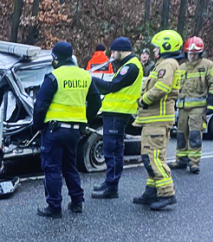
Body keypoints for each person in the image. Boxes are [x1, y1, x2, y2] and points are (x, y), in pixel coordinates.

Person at [33, 41, 102, 217]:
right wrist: (84, 122)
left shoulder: (53, 77)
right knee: (70, 165)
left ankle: (54, 206)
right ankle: (77, 202)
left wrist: (37, 126)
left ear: (55, 58)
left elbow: (40, 105)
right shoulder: (85, 76)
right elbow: (96, 101)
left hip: (54, 130)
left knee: (52, 168)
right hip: (74, 131)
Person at [132, 30, 182, 211]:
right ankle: (151, 192)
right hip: (153, 120)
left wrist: (143, 100)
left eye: (156, 47)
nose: (154, 51)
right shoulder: (165, 64)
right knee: (149, 157)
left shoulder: (167, 64)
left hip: (157, 120)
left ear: (165, 47)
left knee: (153, 158)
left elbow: (161, 88)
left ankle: (167, 193)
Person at [90, 37, 143, 199]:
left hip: (118, 113)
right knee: (112, 149)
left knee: (112, 150)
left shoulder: (131, 67)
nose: (112, 54)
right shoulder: (127, 65)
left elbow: (112, 87)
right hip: (114, 112)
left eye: (113, 51)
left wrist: (90, 79)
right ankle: (109, 182)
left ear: (121, 50)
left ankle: (112, 186)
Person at [171, 36, 213, 174]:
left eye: (195, 54)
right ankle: (181, 160)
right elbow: (175, 87)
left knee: (194, 135)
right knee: (180, 134)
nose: (192, 56)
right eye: (190, 53)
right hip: (182, 108)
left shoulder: (207, 65)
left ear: (200, 53)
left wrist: (210, 103)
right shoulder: (181, 67)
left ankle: (194, 162)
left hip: (197, 108)